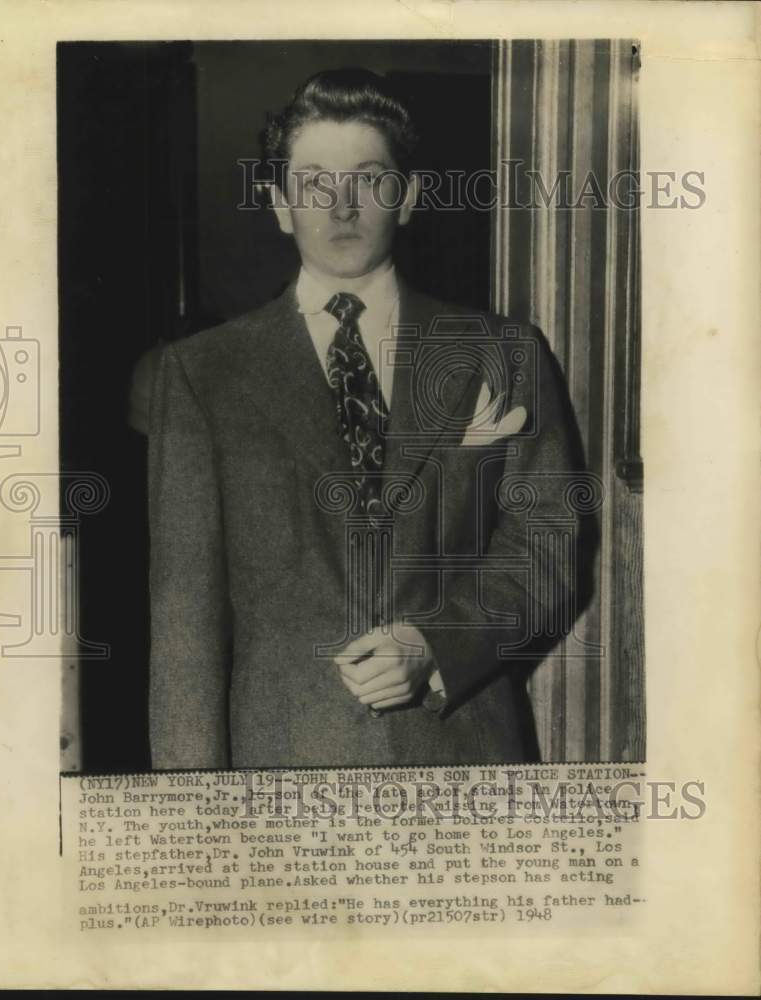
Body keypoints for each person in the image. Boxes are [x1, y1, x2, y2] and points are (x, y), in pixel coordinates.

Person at [147, 68, 591, 770]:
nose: (341, 205)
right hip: (283, 767)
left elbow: (547, 547)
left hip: (461, 755)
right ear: (280, 205)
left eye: (368, 179)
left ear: (407, 199)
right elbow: (184, 623)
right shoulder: (203, 375)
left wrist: (437, 643)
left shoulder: (500, 351)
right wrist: (193, 808)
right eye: (314, 182)